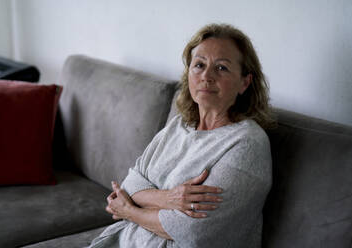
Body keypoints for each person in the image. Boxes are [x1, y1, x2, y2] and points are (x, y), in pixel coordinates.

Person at [87, 23, 275, 248]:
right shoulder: (180, 125)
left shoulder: (247, 144)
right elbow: (129, 184)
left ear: (244, 82)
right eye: (199, 65)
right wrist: (170, 199)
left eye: (222, 68)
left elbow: (193, 231)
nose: (207, 76)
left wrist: (129, 211)